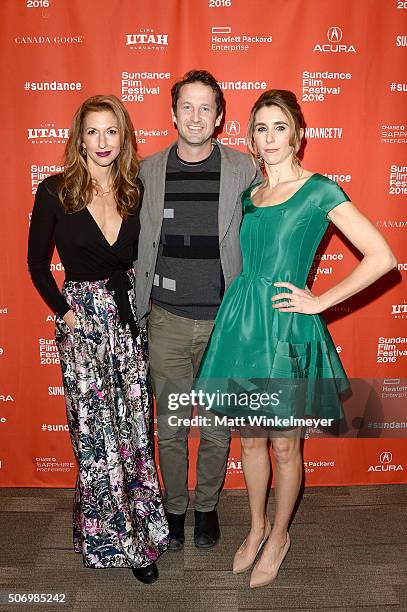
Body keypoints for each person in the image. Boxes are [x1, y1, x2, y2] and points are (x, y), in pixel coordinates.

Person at [195, 89, 397, 587]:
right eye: (260, 128)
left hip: (286, 328)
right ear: (251, 137)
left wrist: (320, 301)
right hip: (242, 324)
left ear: (298, 134)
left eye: (279, 126)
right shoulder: (251, 195)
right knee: (251, 440)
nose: (269, 137)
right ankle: (257, 526)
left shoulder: (320, 190)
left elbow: (382, 256)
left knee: (285, 445)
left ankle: (281, 534)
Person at [28, 95, 168, 584]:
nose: (103, 142)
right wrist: (67, 316)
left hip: (128, 318)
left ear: (123, 136)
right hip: (82, 322)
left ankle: (142, 536)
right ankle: (109, 537)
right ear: (79, 137)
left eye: (112, 131)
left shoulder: (137, 190)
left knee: (133, 430)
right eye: (93, 132)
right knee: (95, 435)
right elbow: (36, 266)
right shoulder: (54, 192)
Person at [136, 70, 261, 551]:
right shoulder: (147, 170)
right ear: (172, 114)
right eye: (186, 107)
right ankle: (173, 510)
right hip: (164, 319)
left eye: (205, 107)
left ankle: (206, 508)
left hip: (224, 321)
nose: (195, 116)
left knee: (215, 425)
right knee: (169, 427)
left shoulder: (244, 169)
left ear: (220, 117)